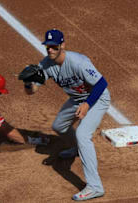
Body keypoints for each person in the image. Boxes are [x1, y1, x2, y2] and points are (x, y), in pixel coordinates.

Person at [18, 29, 110, 201]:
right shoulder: (46, 64)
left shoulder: (78, 62)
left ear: (62, 45)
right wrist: (28, 83)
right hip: (77, 99)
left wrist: (87, 104)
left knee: (83, 134)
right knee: (58, 126)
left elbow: (102, 84)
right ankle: (76, 149)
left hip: (96, 99)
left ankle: (95, 186)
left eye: (53, 47)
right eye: (48, 47)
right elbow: (32, 91)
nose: (50, 50)